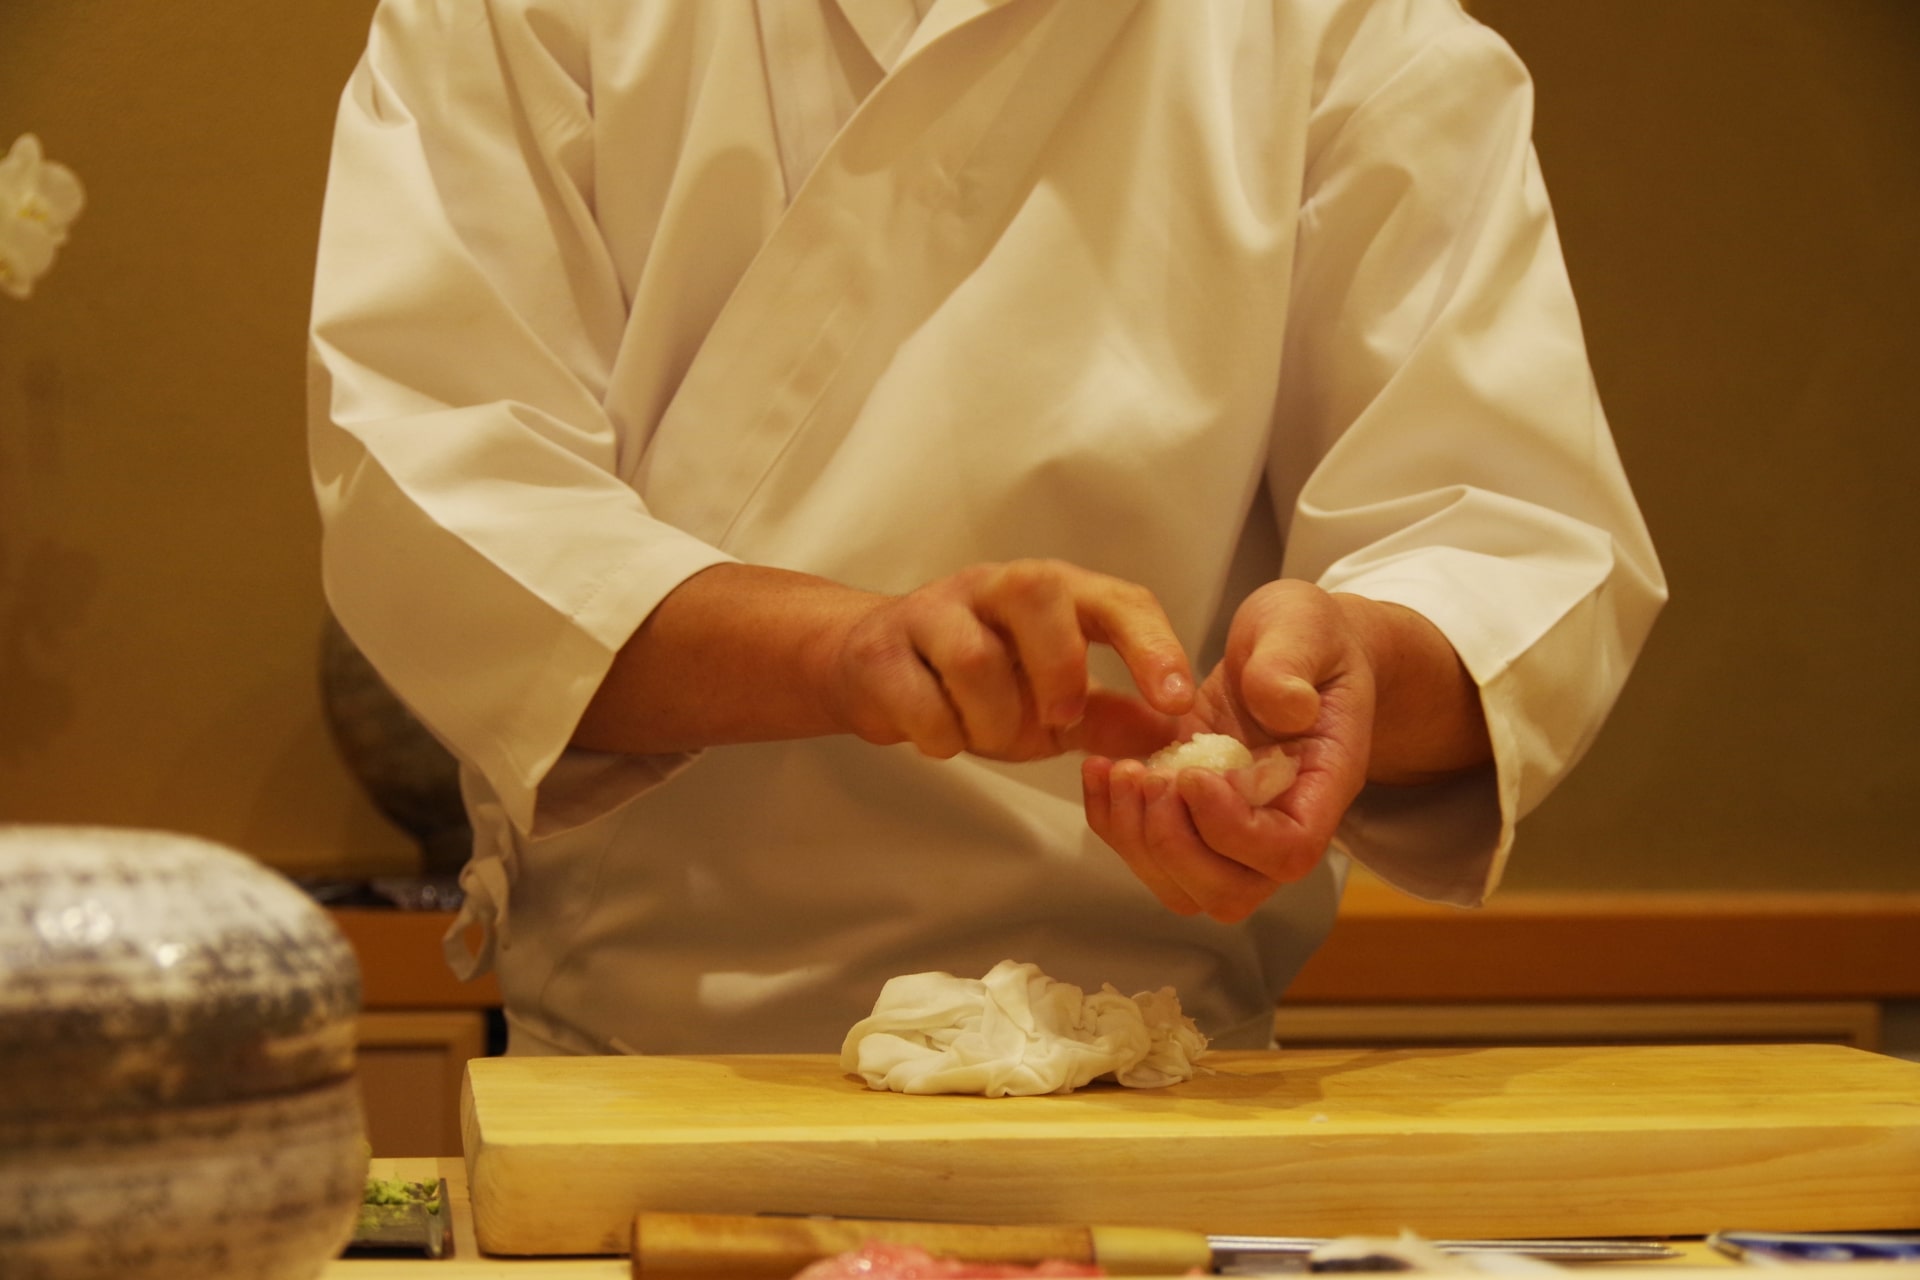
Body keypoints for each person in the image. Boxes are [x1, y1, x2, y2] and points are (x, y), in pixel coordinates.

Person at [307, 0, 1665, 1056]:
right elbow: (442, 480)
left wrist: (1355, 669)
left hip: (1164, 1071)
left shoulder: (1342, 31)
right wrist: (851, 653)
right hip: (645, 1068)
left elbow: (1506, 532)